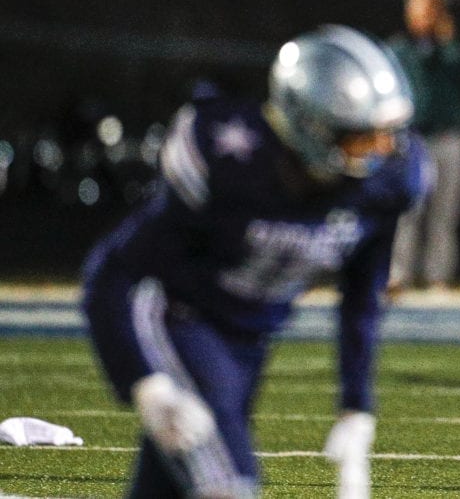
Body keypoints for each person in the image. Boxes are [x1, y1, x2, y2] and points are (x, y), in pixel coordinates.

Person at [81, 25, 431, 499]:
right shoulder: (235, 161)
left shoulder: (387, 182)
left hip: (249, 342)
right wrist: (144, 381)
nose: (383, 151)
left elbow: (361, 297)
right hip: (177, 320)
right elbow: (112, 271)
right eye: (361, 139)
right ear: (311, 126)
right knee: (229, 485)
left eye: (387, 135)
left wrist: (357, 409)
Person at [386, 0, 460, 295]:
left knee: (444, 212)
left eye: (428, 10)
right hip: (411, 139)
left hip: (448, 137)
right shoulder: (398, 49)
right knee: (406, 211)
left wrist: (447, 42)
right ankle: (397, 275)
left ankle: (438, 275)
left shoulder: (452, 48)